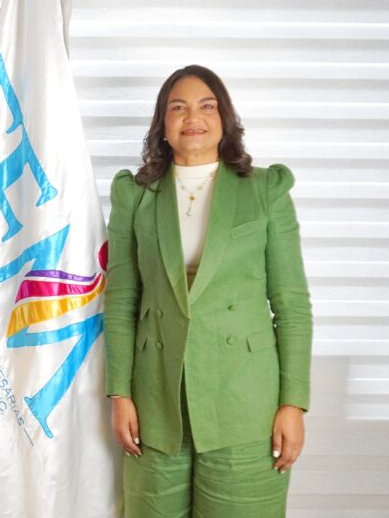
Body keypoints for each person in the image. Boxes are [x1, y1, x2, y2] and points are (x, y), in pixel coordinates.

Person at [104, 65, 312, 517]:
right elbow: (120, 301)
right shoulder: (135, 195)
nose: (192, 117)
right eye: (177, 107)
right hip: (156, 399)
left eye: (207, 106)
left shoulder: (265, 191)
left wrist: (293, 403)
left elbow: (292, 305)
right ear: (162, 124)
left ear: (225, 118)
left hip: (246, 401)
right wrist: (119, 393)